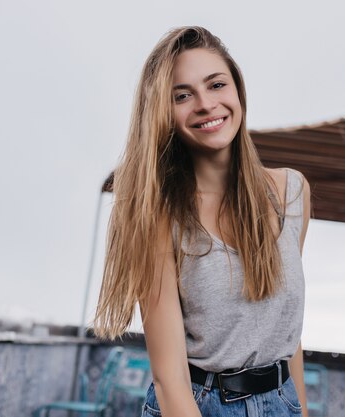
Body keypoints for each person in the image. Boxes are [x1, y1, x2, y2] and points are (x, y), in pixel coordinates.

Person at [94, 26, 311, 417]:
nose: (206, 104)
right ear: (164, 112)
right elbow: (169, 379)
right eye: (182, 95)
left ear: (237, 90)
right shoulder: (158, 212)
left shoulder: (291, 192)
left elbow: (286, 332)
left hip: (282, 402)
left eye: (216, 85)